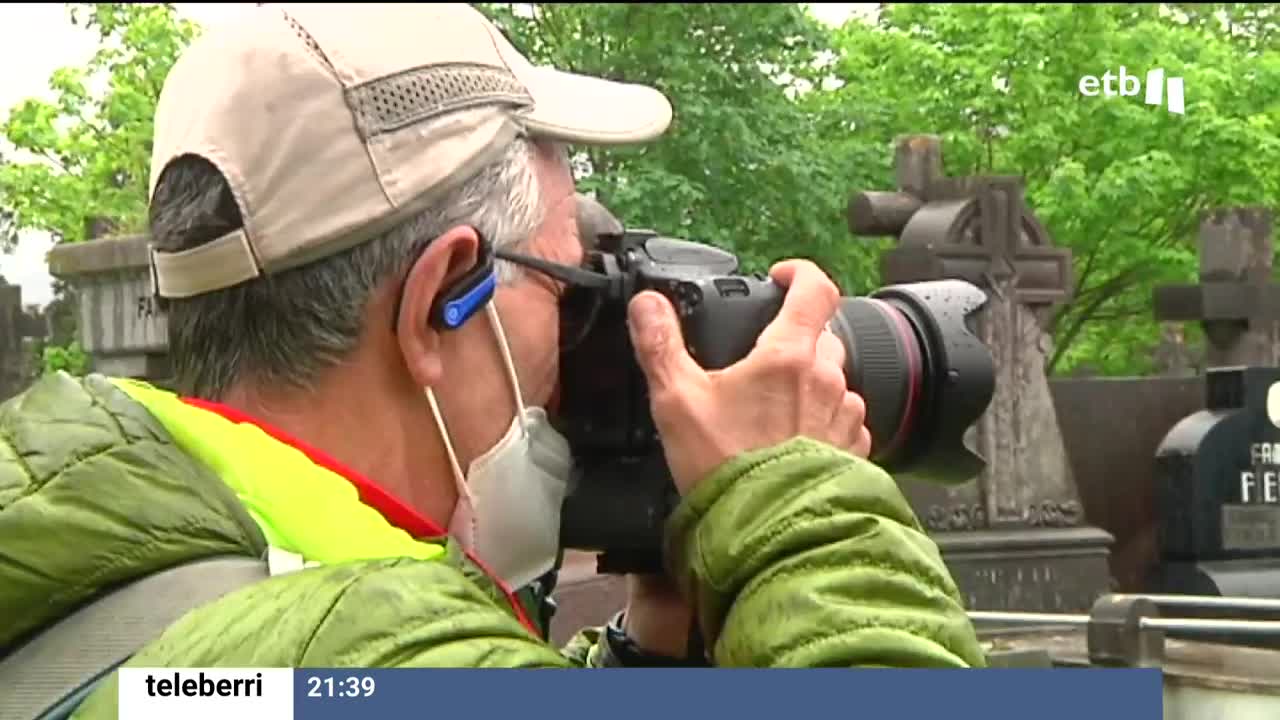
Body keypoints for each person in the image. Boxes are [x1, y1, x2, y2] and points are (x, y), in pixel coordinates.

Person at [0, 3, 985, 711]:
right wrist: (790, 499)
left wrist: (652, 649)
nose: (586, 334)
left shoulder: (104, 580)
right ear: (438, 302)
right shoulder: (364, 654)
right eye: (568, 284)